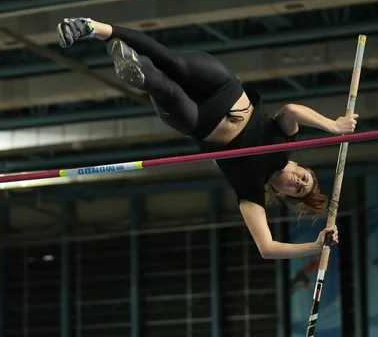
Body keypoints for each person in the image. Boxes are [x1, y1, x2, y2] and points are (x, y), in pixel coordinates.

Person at [57, 18, 357, 259]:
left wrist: (315, 247)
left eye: (298, 190)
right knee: (170, 60)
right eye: (305, 177)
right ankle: (90, 27)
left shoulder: (250, 193)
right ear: (299, 164)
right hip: (223, 89)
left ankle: (136, 69)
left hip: (198, 122)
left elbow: (267, 248)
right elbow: (292, 110)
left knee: (165, 89)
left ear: (283, 196)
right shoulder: (287, 140)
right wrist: (333, 126)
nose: (299, 183)